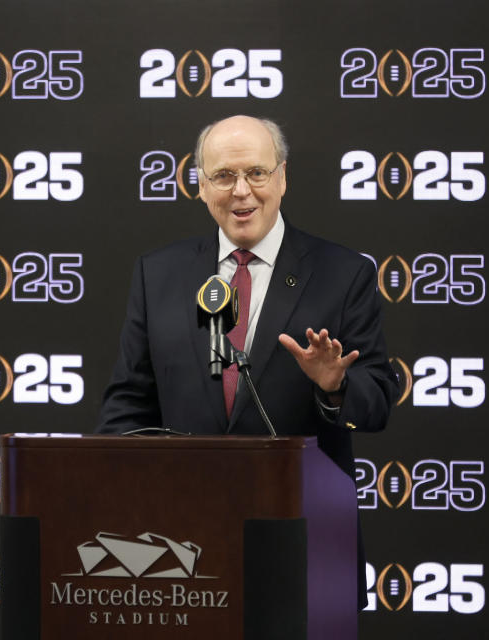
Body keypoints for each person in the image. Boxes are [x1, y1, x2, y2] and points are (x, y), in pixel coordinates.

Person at [98, 115, 399, 608]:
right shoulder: (160, 275)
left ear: (282, 178)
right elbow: (128, 407)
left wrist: (334, 388)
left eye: (257, 173)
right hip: (180, 549)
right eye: (223, 176)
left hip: (303, 546)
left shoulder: (344, 274)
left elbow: (379, 402)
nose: (242, 191)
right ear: (201, 186)